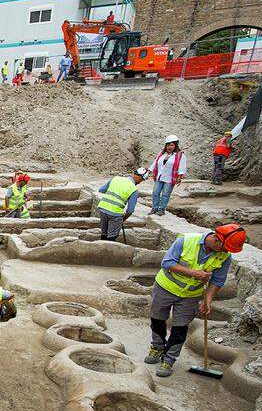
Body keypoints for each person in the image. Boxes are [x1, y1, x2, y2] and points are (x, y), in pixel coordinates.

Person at [144, 224, 247, 377]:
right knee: (158, 319)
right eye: (225, 248)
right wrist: (194, 273)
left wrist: (208, 300)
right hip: (165, 287)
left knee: (180, 328)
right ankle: (157, 347)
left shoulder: (225, 256)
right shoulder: (186, 241)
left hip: (190, 295)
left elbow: (218, 280)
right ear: (217, 240)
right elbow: (167, 263)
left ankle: (169, 359)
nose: (226, 252)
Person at [96, 167, 149, 241]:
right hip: (115, 214)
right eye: (142, 180)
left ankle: (101, 248)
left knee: (104, 234)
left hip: (103, 209)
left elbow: (101, 190)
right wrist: (123, 219)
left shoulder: (116, 178)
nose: (140, 182)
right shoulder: (134, 189)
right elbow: (130, 210)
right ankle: (108, 251)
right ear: (139, 177)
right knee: (111, 237)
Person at [150, 134, 186, 215]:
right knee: (155, 192)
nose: (169, 147)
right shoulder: (161, 153)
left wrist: (179, 177)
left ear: (175, 145)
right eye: (168, 145)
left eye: (172, 145)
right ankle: (154, 208)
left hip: (169, 178)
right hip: (160, 176)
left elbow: (182, 166)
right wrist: (150, 170)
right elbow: (156, 162)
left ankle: (161, 209)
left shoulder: (180, 155)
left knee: (165, 194)